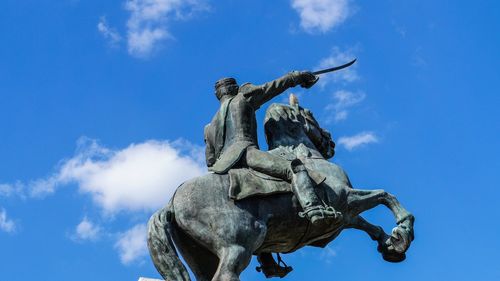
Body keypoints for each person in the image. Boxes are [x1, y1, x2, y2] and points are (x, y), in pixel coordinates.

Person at [204, 71, 341, 224]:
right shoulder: (242, 99)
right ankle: (314, 208)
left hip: (223, 166)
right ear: (234, 89)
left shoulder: (209, 127)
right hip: (247, 153)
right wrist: (296, 77)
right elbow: (272, 87)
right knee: (295, 169)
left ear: (218, 95)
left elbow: (210, 160)